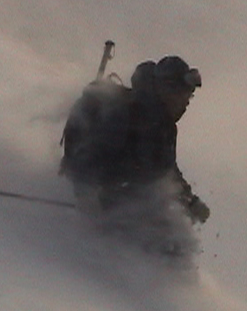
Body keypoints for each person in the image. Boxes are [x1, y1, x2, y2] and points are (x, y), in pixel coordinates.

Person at [61, 55, 210, 225]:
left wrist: (190, 202)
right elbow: (88, 158)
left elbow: (166, 170)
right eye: (184, 95)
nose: (187, 103)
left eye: (190, 97)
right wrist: (87, 198)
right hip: (105, 196)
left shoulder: (164, 126)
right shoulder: (125, 114)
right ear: (168, 89)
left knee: (163, 224)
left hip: (127, 195)